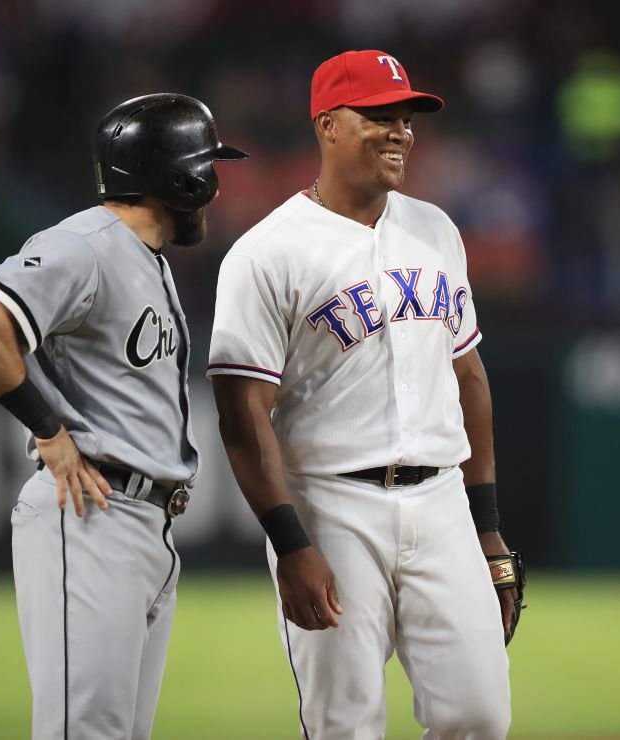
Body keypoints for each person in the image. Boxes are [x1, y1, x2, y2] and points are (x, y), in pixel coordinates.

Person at [208, 50, 522, 739]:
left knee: (480, 715)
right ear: (327, 124)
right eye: (379, 115)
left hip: (441, 502)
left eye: (406, 117)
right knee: (345, 723)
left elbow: (468, 376)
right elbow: (240, 412)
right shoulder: (267, 253)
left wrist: (487, 524)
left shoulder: (436, 229)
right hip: (332, 503)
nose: (400, 131)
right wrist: (290, 541)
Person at [0, 93, 247, 740]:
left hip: (145, 524)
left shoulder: (144, 262)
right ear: (182, 176)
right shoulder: (86, 244)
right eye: (209, 167)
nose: (216, 187)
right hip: (91, 516)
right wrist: (48, 430)